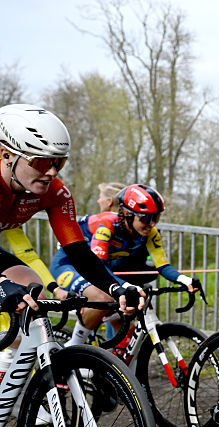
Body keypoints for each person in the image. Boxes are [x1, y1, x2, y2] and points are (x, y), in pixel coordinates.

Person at [0, 104, 143, 322]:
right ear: (6, 154)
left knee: (33, 296)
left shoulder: (55, 193)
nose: (52, 172)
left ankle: (15, 357)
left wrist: (116, 288)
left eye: (59, 163)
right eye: (42, 162)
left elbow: (78, 252)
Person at [50, 183, 196, 346]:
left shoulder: (150, 232)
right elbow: (97, 267)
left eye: (156, 218)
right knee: (103, 296)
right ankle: (74, 347)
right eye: (146, 218)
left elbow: (162, 266)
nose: (152, 224)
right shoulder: (106, 224)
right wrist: (125, 286)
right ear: (127, 214)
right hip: (69, 264)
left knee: (128, 333)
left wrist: (185, 280)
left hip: (100, 269)